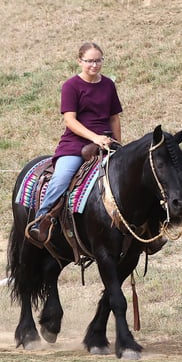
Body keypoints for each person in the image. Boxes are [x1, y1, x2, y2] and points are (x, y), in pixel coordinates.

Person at [27, 42, 123, 244]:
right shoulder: (71, 86)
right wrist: (94, 137)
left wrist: (118, 144)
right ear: (79, 61)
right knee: (62, 177)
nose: (94, 65)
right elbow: (70, 120)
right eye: (90, 61)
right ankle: (41, 219)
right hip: (76, 144)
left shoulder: (108, 85)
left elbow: (114, 117)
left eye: (98, 60)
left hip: (105, 142)